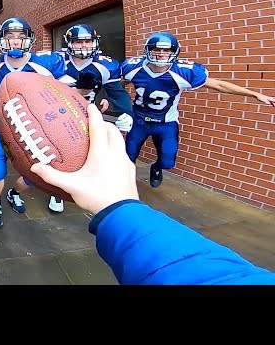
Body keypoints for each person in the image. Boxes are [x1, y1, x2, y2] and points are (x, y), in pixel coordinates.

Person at [29, 102, 275, 285]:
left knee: (165, 160)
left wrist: (120, 207)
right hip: (70, 126)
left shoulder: (110, 68)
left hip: (96, 130)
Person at [121, 31, 275, 188]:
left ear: (174, 52)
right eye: (157, 49)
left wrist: (254, 94)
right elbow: (118, 85)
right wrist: (110, 98)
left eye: (166, 50)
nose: (161, 54)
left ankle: (157, 167)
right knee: (129, 156)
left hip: (166, 123)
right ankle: (125, 185)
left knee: (167, 162)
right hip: (139, 120)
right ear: (149, 50)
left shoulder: (184, 72)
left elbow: (219, 85)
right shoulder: (133, 68)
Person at [0, 17, 68, 228]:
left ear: (28, 40)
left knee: (36, 172)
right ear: (1, 40)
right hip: (2, 124)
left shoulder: (45, 63)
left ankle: (14, 192)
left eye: (20, 37)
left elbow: (68, 94)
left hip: (37, 127)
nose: (15, 42)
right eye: (10, 37)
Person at [46, 23, 134, 213]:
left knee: (86, 150)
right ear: (69, 43)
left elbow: (116, 92)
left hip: (86, 113)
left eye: (88, 41)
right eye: (79, 42)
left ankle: (88, 183)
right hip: (55, 113)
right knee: (59, 152)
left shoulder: (105, 64)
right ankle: (57, 191)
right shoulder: (55, 61)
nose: (84, 46)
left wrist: (127, 112)